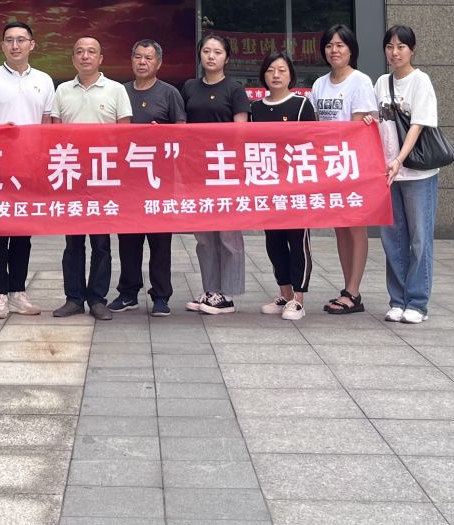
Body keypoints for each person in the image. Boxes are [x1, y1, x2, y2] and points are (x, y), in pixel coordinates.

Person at [0, 20, 56, 320]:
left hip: (29, 166)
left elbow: (46, 123)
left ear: (32, 44)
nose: (15, 45)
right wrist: (2, 129)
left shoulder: (44, 80)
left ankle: (18, 292)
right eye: (9, 40)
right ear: (2, 45)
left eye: (21, 40)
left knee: (22, 233)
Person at [52, 36, 132, 321]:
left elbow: (124, 134)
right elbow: (55, 133)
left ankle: (97, 299)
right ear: (73, 58)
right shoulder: (62, 90)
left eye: (91, 52)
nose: (85, 56)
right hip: (72, 175)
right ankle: (73, 298)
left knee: (101, 244)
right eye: (79, 52)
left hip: (103, 177)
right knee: (73, 243)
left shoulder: (116, 90)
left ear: (100, 58)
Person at [309, 23, 379, 316]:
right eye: (329, 45)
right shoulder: (319, 84)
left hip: (352, 163)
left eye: (340, 45)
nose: (334, 50)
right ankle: (347, 289)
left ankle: (354, 291)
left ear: (351, 49)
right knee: (340, 226)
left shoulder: (360, 81)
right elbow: (313, 124)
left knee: (355, 226)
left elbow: (357, 126)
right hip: (328, 164)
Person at [113, 38, 184, 317]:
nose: (142, 62)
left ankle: (161, 296)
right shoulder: (119, 91)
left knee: (160, 242)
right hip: (127, 179)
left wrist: (163, 133)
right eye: (138, 56)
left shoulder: (169, 93)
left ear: (158, 63)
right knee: (128, 240)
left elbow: (182, 132)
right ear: (131, 60)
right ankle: (128, 293)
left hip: (159, 180)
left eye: (148, 58)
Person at [181, 32, 250, 315]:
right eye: (206, 51)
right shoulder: (189, 87)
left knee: (228, 234)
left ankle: (227, 295)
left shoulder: (235, 89)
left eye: (217, 52)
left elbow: (241, 133)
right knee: (204, 236)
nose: (211, 56)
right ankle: (211, 290)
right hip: (196, 170)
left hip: (225, 170)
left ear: (227, 58)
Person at [377, 25, 441, 325]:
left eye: (401, 46)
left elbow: (418, 125)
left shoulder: (420, 81)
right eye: (390, 46)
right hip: (388, 174)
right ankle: (397, 300)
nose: (395, 52)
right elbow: (376, 122)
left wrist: (399, 159)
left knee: (419, 239)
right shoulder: (381, 83)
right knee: (393, 239)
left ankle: (417, 302)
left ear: (412, 50)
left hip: (416, 173)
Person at [252, 51, 316, 322]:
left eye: (281, 70)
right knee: (274, 241)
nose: (276, 75)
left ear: (291, 74)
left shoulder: (301, 105)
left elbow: (314, 143)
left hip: (296, 187)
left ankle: (299, 299)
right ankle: (285, 293)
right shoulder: (255, 108)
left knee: (298, 241)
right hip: (268, 187)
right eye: (270, 70)